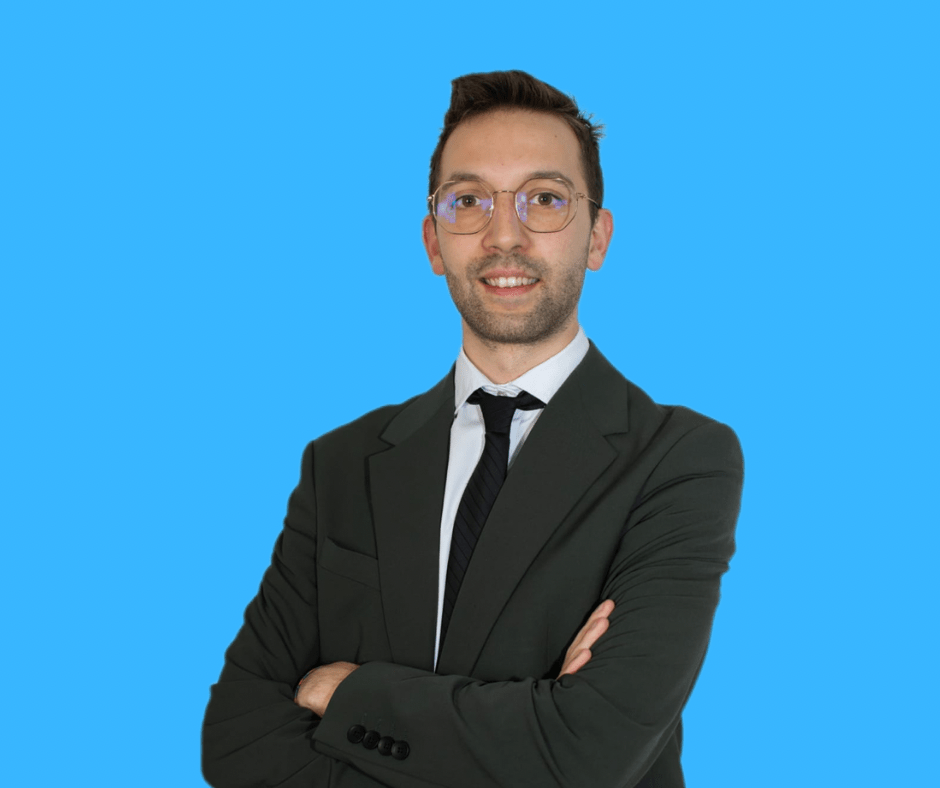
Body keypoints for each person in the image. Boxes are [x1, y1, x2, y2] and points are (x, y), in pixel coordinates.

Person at [202, 70, 744, 788]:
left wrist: (352, 695)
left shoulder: (678, 460)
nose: (504, 235)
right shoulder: (340, 464)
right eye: (468, 201)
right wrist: (526, 723)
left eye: (545, 199)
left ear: (598, 237)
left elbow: (589, 755)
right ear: (434, 242)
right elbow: (235, 741)